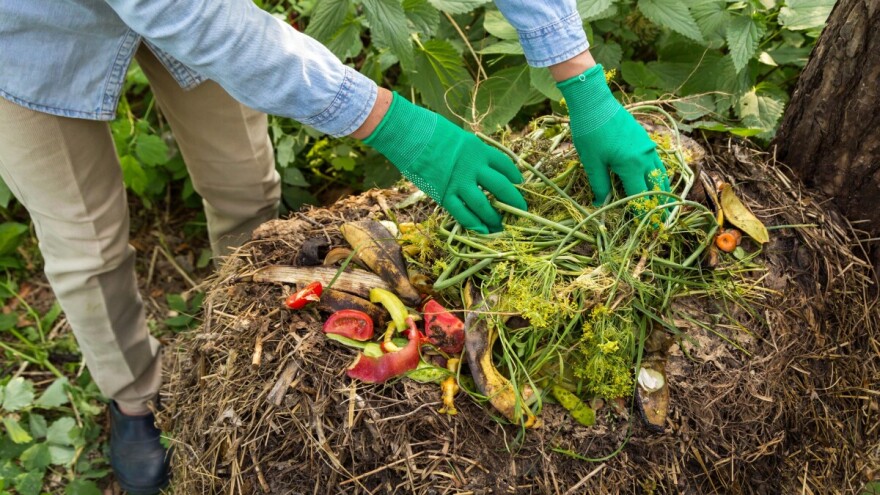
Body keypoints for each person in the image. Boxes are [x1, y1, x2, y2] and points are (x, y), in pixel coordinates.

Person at [0, 1, 668, 493]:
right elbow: (194, 18)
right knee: (84, 239)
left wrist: (580, 77)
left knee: (242, 178)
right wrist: (399, 126)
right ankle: (134, 397)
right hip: (35, 33)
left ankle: (240, 330)